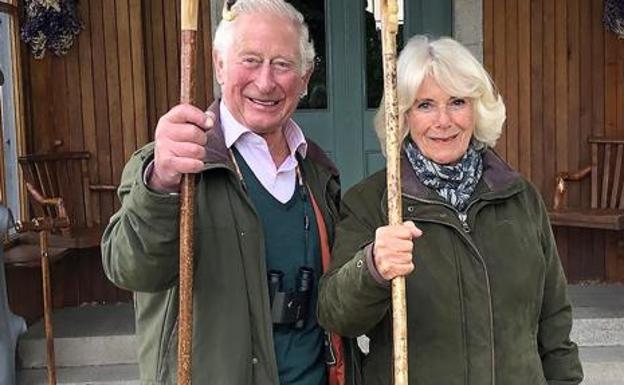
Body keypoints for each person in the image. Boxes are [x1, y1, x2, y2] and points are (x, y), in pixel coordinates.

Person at [101, 1, 353, 384]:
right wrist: (162, 185)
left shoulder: (316, 171)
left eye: (283, 64)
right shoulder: (173, 167)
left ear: (305, 78)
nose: (265, 82)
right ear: (219, 65)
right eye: (250, 60)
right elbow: (130, 268)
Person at [317, 35, 583, 385]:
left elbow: (554, 321)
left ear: (477, 109)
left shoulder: (519, 198)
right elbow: (337, 314)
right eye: (425, 105)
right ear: (404, 116)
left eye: (457, 102)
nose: (443, 121)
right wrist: (372, 269)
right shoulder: (374, 203)